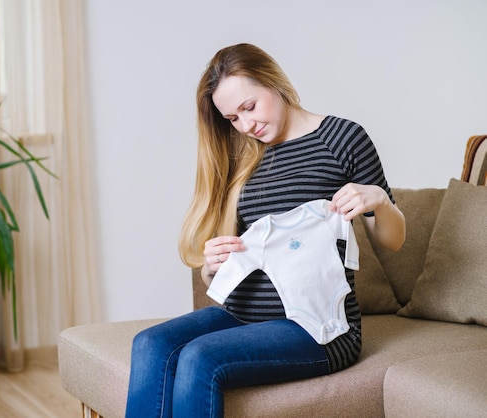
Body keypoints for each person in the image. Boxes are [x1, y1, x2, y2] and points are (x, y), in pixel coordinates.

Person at [124, 43, 406, 418]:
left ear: (273, 82)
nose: (246, 125)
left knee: (199, 357)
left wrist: (380, 202)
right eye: (232, 118)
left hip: (317, 325)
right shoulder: (244, 156)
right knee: (149, 344)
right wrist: (213, 264)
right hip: (241, 315)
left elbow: (394, 241)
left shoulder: (342, 138)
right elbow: (234, 261)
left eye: (249, 107)